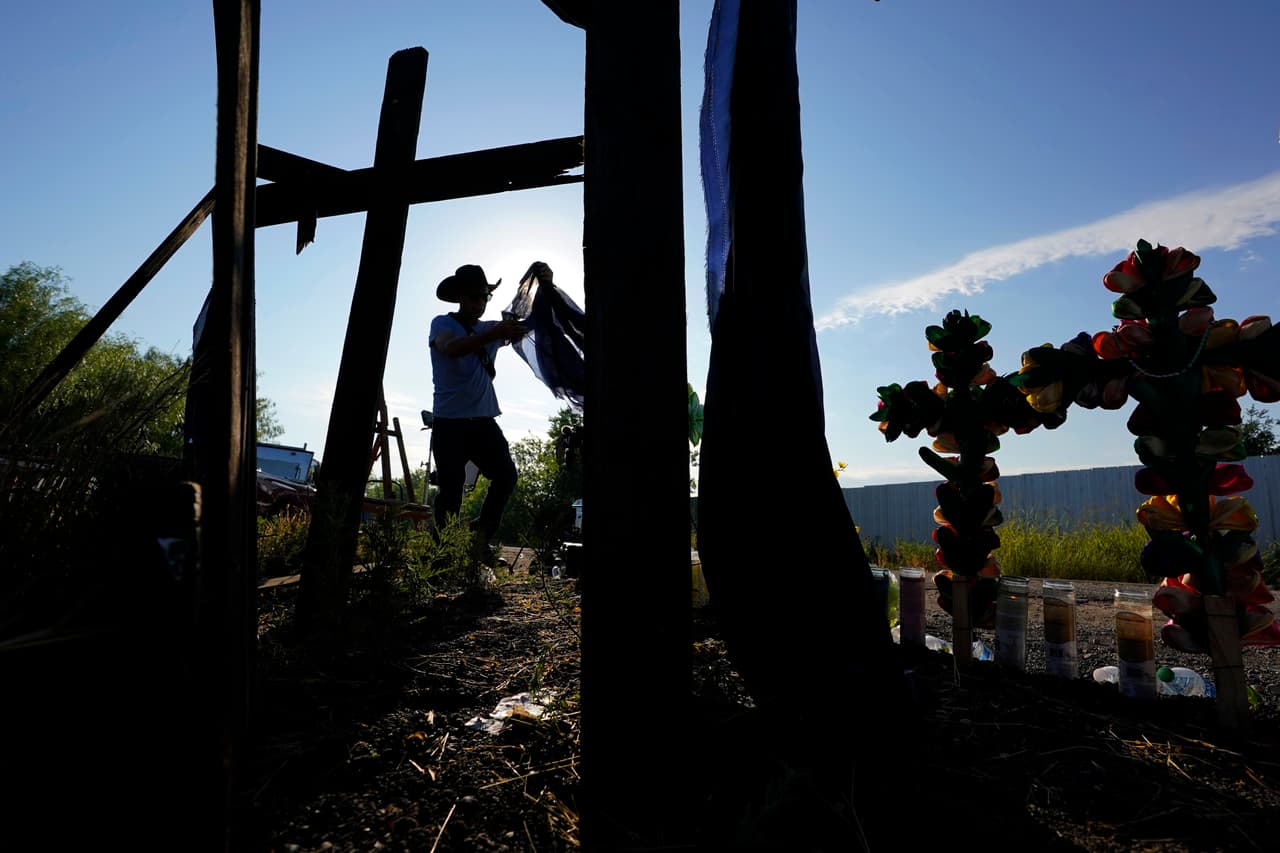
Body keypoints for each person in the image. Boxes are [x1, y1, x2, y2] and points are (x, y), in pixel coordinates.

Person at [428, 263, 530, 564]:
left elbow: (527, 324)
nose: (481, 302)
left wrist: (543, 284)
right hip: (449, 423)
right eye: (475, 297)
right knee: (450, 490)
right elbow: (451, 348)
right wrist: (494, 333)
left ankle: (479, 540)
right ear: (460, 297)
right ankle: (443, 555)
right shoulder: (442, 324)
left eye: (485, 296)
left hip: (483, 422)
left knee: (506, 477)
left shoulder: (490, 329)